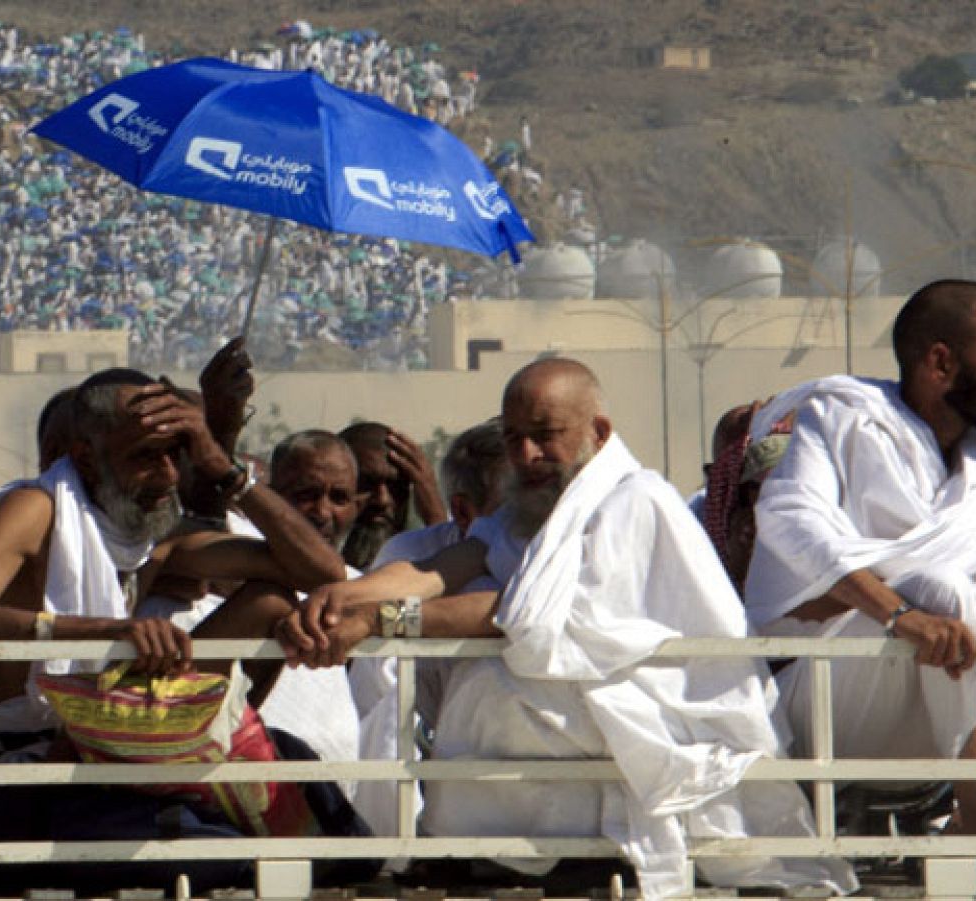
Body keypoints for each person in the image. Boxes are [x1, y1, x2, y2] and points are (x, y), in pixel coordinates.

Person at [281, 358, 855, 900]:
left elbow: (527, 617)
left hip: (646, 710)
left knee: (498, 684)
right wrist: (345, 595)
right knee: (482, 686)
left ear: (597, 431)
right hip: (545, 733)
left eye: (545, 434)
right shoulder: (525, 511)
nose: (527, 454)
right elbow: (447, 565)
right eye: (512, 438)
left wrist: (379, 622)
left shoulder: (636, 500)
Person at [0, 366, 348, 883]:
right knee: (219, 853)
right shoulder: (34, 508)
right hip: (20, 764)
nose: (165, 476)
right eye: (144, 457)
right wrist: (103, 632)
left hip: (114, 747)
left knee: (272, 603)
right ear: (87, 459)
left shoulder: (156, 538)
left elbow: (325, 572)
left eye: (174, 456)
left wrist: (221, 465)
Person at [745, 279, 976, 872]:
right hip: (836, 700)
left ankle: (974, 808)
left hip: (959, 697)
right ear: (941, 362)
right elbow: (792, 519)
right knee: (944, 586)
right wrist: (902, 616)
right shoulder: (842, 421)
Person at [349, 417, 508, 837]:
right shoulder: (408, 555)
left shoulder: (556, 548)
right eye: (512, 504)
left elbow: (519, 614)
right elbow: (383, 698)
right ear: (463, 510)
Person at [337, 421, 445, 569]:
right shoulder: (304, 567)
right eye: (366, 484)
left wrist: (436, 518)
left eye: (396, 486)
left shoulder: (415, 566)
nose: (382, 500)